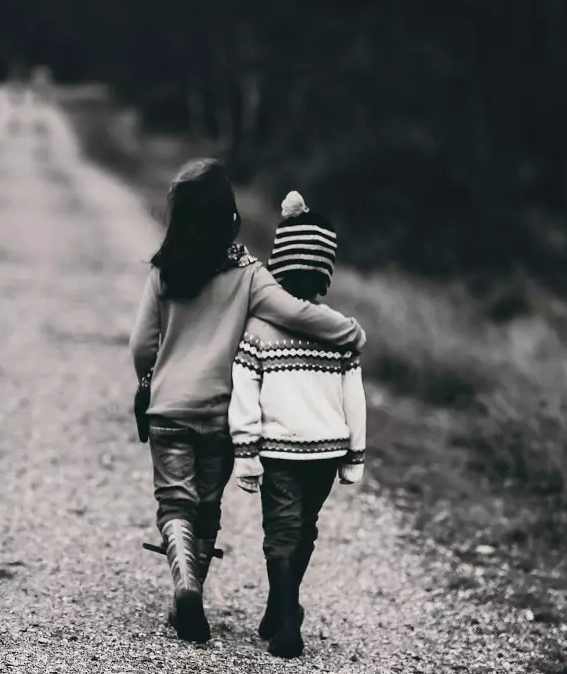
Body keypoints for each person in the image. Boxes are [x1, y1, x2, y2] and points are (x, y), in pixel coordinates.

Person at [128, 160, 367, 644]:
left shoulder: (164, 273)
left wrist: (151, 380)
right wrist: (351, 332)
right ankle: (194, 586)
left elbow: (140, 345)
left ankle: (186, 584)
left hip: (169, 411)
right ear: (229, 217)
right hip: (219, 415)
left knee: (175, 501)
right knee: (207, 507)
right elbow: (297, 313)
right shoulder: (249, 275)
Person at [228, 191, 366, 658]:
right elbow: (355, 398)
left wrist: (245, 453)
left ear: (277, 267)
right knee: (304, 529)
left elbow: (243, 391)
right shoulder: (339, 330)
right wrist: (355, 455)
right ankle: (281, 607)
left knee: (283, 532)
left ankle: (285, 617)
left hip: (279, 451)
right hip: (326, 452)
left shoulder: (259, 328)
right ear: (325, 273)